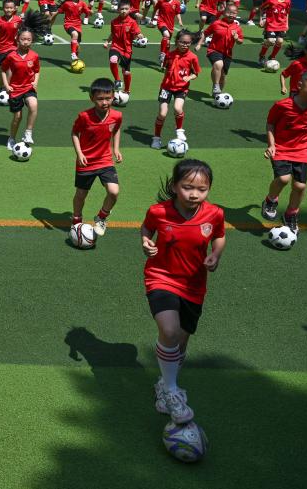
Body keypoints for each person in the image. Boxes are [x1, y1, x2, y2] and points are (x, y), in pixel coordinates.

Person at [141, 159, 226, 425]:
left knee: (181, 343)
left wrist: (215, 254)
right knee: (169, 331)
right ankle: (172, 391)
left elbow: (219, 236)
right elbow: (147, 229)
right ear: (175, 186)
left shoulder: (214, 214)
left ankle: (165, 386)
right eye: (187, 187)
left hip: (194, 284)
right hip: (161, 278)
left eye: (201, 189)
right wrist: (146, 242)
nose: (194, 194)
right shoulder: (158, 212)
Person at [261, 70, 307, 235]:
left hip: (302, 149)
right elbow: (270, 125)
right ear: (300, 84)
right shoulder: (282, 105)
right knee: (283, 178)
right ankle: (270, 200)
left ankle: (291, 214)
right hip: (281, 147)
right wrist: (271, 145)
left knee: (300, 186)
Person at [71, 78, 122, 236]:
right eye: (100, 99)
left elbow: (116, 129)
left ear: (113, 96)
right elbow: (74, 133)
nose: (105, 102)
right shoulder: (84, 116)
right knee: (81, 194)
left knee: (113, 192)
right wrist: (79, 153)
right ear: (92, 98)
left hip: (105, 160)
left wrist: (116, 148)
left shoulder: (117, 115)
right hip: (86, 162)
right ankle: (77, 219)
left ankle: (101, 217)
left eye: (108, 98)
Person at [153, 31, 201, 149]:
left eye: (188, 43)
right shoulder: (169, 55)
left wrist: (188, 77)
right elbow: (165, 68)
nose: (185, 45)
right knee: (162, 114)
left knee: (178, 108)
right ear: (177, 42)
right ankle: (156, 138)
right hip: (166, 87)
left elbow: (196, 73)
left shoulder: (193, 57)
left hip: (181, 88)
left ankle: (179, 129)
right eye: (182, 42)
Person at [0, 18, 41, 149]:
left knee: (33, 105)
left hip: (28, 87)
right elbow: (3, 70)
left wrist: (35, 81)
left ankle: (28, 133)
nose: (26, 42)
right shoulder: (11, 56)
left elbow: (37, 71)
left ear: (32, 41)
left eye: (29, 39)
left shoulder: (34, 56)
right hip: (15, 89)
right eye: (23, 39)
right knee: (18, 117)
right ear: (18, 39)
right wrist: (6, 85)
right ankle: (11, 138)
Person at [198, 2, 243, 96]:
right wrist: (200, 43)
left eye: (234, 13)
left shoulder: (237, 28)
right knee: (218, 64)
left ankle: (217, 95)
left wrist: (237, 38)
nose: (231, 14)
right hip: (214, 50)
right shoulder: (216, 24)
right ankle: (216, 85)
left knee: (222, 75)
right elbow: (205, 33)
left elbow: (240, 41)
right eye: (229, 12)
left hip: (227, 54)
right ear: (223, 13)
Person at [105, 0, 142, 98]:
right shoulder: (114, 22)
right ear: (118, 10)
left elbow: (137, 33)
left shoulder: (132, 22)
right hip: (115, 46)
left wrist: (141, 37)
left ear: (130, 10)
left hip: (127, 50)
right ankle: (117, 80)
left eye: (126, 9)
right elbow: (113, 34)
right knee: (113, 60)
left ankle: (127, 90)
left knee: (126, 72)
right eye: (122, 9)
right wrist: (107, 42)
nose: (124, 11)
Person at [258, 0, 292, 64]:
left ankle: (272, 56)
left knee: (280, 41)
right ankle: (262, 55)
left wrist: (287, 24)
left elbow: (287, 13)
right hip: (271, 25)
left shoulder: (288, 1)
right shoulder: (271, 0)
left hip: (282, 25)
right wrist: (261, 19)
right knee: (270, 41)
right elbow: (262, 8)